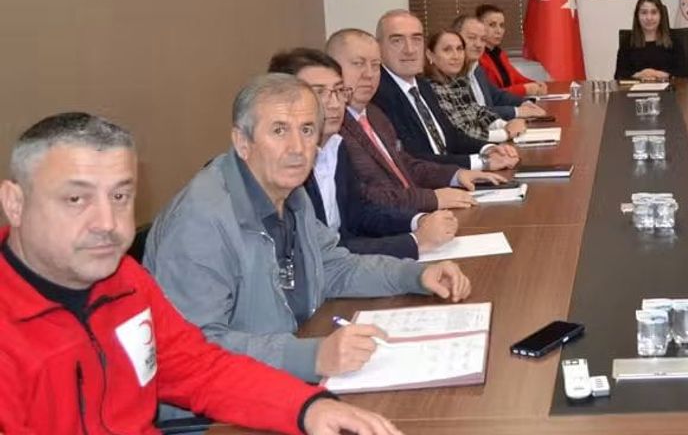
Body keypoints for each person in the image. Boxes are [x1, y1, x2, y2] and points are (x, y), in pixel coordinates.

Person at [0, 112, 402, 435]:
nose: (107, 222)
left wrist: (306, 407)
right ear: (14, 203)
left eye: (120, 196)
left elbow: (196, 368)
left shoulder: (123, 280)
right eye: (76, 199)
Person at [145, 75, 474, 387]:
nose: (297, 148)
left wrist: (415, 275)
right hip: (218, 408)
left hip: (283, 373)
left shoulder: (289, 192)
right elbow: (194, 348)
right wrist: (312, 356)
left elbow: (334, 267)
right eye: (279, 130)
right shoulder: (200, 221)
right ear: (242, 142)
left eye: (306, 130)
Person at [268, 47, 456, 259]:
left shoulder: (336, 148)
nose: (334, 104)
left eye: (339, 91)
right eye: (318, 93)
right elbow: (315, 253)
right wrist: (414, 242)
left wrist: (417, 221)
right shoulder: (283, 166)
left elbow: (359, 213)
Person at [327, 28, 502, 213]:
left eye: (375, 65)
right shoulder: (333, 127)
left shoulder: (374, 114)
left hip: (415, 212)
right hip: (397, 221)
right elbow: (365, 198)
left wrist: (456, 175)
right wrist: (431, 200)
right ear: (331, 70)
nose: (369, 74)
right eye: (358, 64)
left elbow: (405, 164)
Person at [371, 9, 521, 169]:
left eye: (416, 39)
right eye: (397, 40)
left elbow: (450, 137)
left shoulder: (422, 86)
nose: (409, 49)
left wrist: (488, 149)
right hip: (434, 180)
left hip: (452, 172)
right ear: (378, 47)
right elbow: (412, 159)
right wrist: (482, 162)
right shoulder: (377, 96)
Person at [426, 30, 528, 142]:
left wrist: (505, 124)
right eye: (447, 50)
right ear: (430, 55)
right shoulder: (431, 88)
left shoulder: (458, 81)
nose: (456, 56)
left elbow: (476, 111)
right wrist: (505, 134)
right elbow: (461, 132)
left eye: (459, 49)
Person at [454, 14, 547, 121]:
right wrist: (516, 111)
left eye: (483, 39)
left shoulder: (476, 69)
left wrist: (525, 103)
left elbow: (497, 95)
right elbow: (473, 113)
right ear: (456, 38)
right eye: (471, 38)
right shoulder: (452, 73)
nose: (478, 44)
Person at [613, 0, 688, 81]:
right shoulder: (628, 42)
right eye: (644, 12)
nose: (649, 18)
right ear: (637, 16)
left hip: (668, 88)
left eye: (654, 12)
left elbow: (683, 74)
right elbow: (619, 75)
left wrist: (656, 74)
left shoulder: (673, 39)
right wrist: (640, 75)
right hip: (636, 89)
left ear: (661, 15)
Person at [476, 4, 547, 96]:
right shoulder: (477, 58)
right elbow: (492, 95)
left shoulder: (499, 54)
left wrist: (537, 84)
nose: (498, 31)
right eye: (492, 25)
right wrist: (524, 89)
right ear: (479, 28)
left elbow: (518, 79)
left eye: (501, 25)